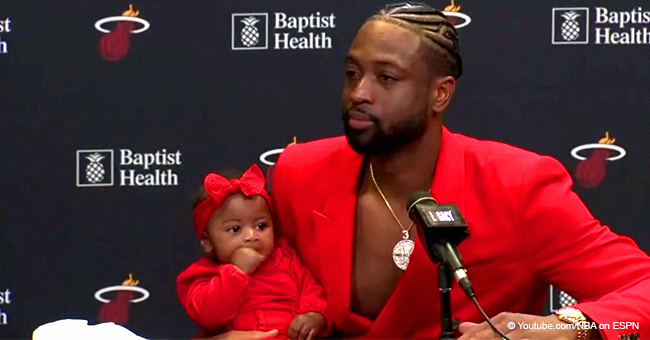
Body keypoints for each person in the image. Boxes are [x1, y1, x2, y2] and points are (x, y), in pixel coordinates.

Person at [269, 3, 650, 340]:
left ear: (440, 94)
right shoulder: (299, 172)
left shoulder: (518, 186)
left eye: (386, 78)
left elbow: (643, 290)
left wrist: (563, 327)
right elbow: (268, 289)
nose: (359, 93)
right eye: (353, 73)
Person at [176, 164, 331, 340]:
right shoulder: (202, 275)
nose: (251, 236)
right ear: (208, 242)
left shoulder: (287, 258)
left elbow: (312, 291)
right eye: (235, 229)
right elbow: (208, 315)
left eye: (261, 226)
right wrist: (237, 272)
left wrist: (315, 317)